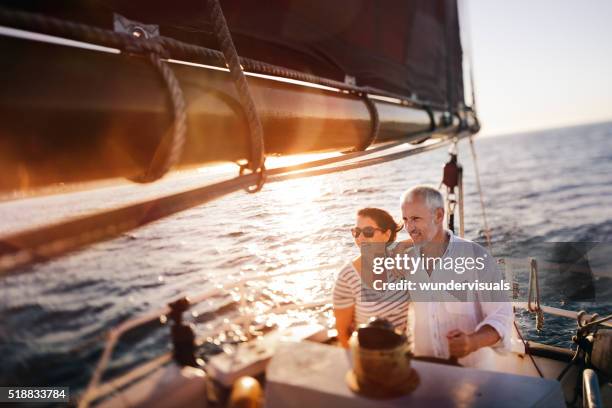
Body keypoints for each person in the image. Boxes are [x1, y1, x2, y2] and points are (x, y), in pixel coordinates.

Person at [399, 185, 513, 368]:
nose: (409, 227)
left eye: (415, 219)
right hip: (423, 372)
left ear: (438, 215)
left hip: (473, 377)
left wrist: (472, 342)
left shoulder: (476, 256)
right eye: (405, 219)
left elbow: (502, 315)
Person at [333, 207, 409, 348]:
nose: (360, 238)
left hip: (409, 351)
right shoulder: (348, 277)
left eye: (368, 232)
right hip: (373, 358)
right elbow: (343, 334)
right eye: (356, 232)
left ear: (386, 235)